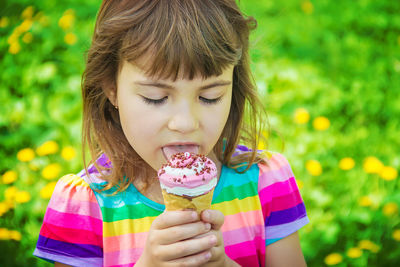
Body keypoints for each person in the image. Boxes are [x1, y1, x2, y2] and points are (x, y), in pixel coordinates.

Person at [34, 0, 309, 266]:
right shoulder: (84, 208)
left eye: (210, 96)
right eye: (155, 98)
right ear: (111, 88)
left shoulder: (266, 185)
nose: (186, 123)